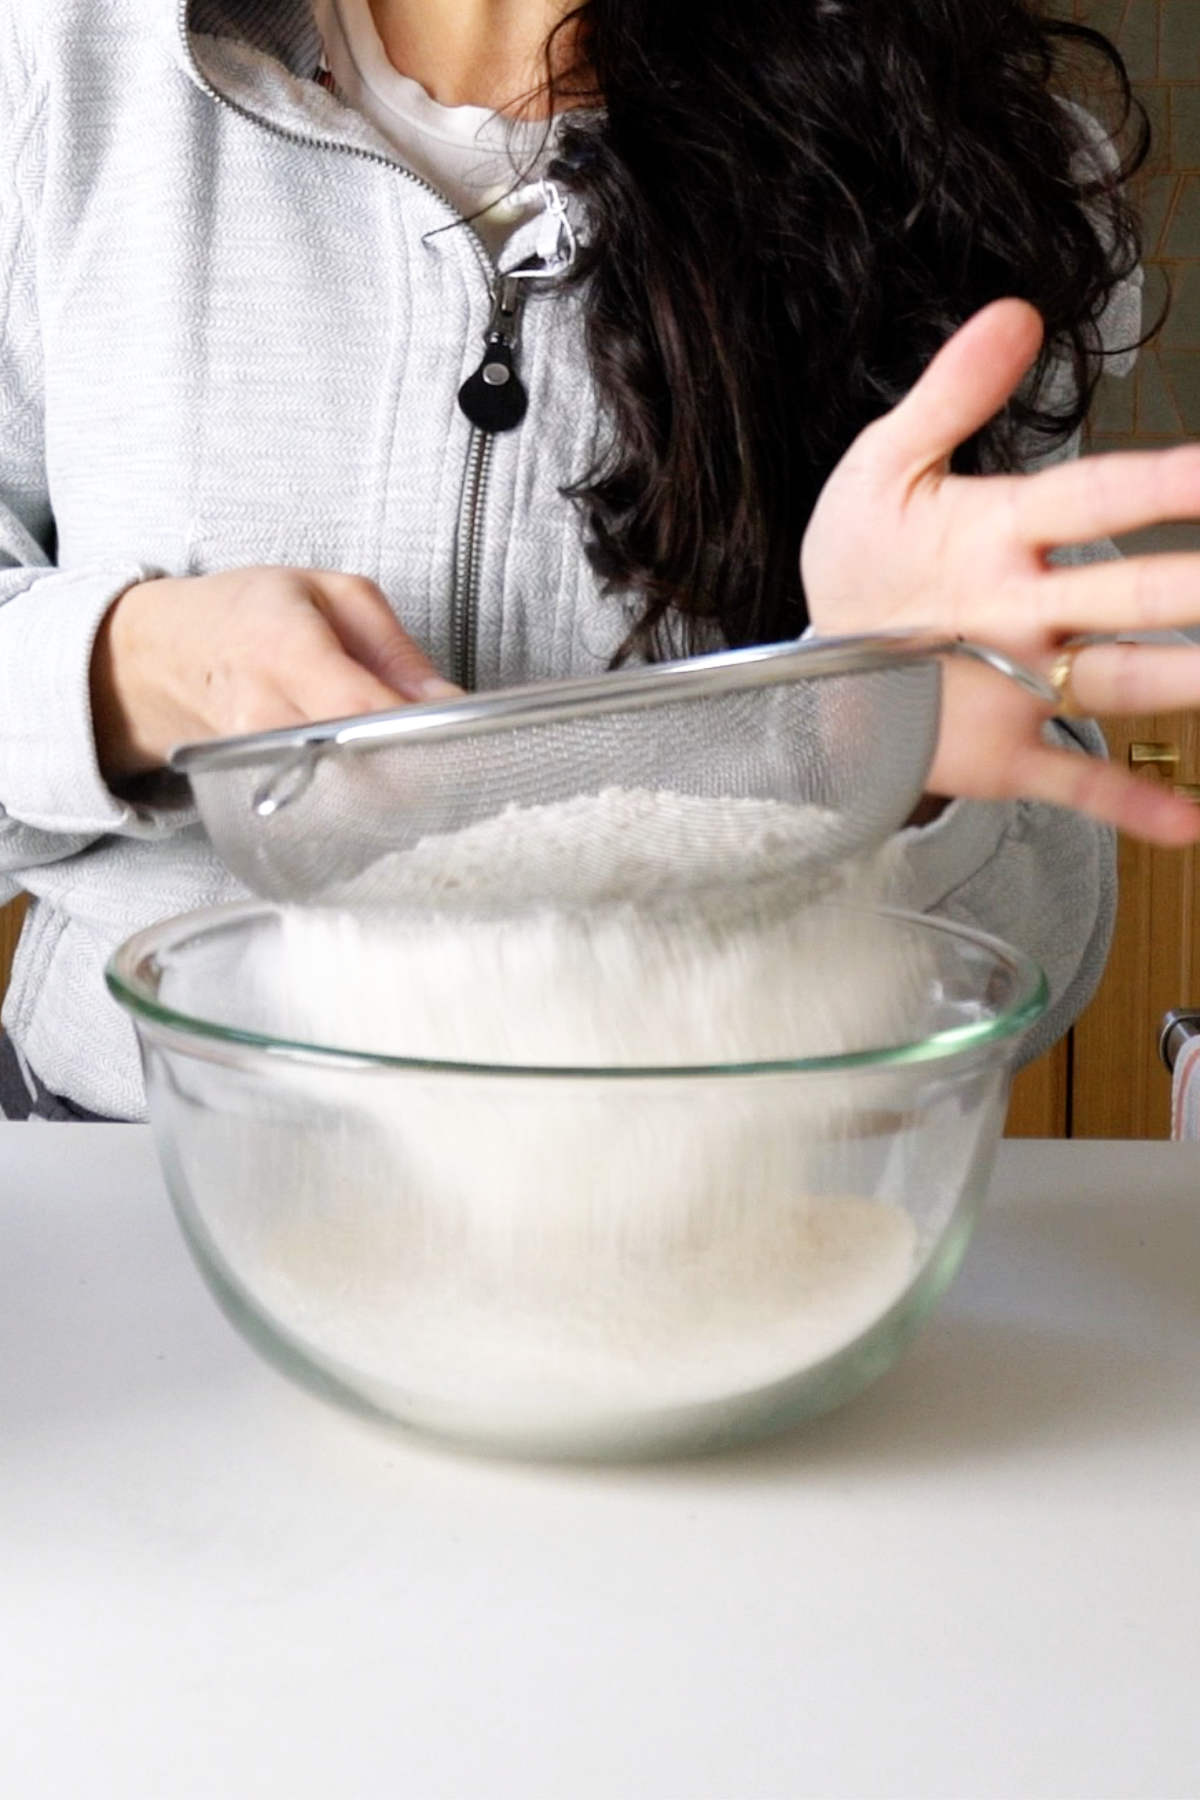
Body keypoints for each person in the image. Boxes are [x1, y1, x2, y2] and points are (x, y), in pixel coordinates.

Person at [2, 0, 1200, 1121]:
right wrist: (127, 672)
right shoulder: (61, 63)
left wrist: (880, 741)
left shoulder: (957, 147)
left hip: (698, 1209)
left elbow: (1036, 936)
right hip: (136, 1168)